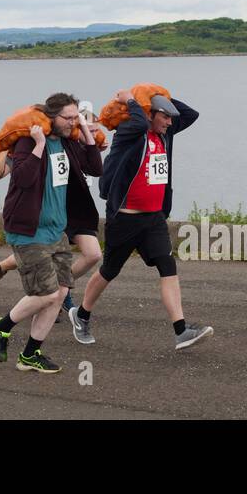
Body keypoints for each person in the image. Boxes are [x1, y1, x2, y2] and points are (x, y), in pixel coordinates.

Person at [69, 90, 212, 350]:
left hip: (153, 220)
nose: (170, 122)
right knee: (109, 271)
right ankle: (81, 315)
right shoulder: (129, 134)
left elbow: (191, 114)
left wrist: (161, 93)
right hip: (124, 219)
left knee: (168, 267)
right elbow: (136, 121)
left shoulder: (165, 135)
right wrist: (135, 101)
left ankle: (181, 331)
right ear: (150, 114)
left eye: (170, 118)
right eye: (164, 116)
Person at [0, 93, 102, 374]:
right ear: (52, 117)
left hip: (56, 230)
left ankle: (29, 354)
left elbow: (95, 168)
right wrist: (39, 145)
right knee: (47, 293)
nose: (73, 122)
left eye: (76, 117)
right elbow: (23, 179)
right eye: (68, 118)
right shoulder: (28, 141)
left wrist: (85, 131)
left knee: (60, 293)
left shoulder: (67, 142)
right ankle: (0, 328)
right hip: (29, 231)